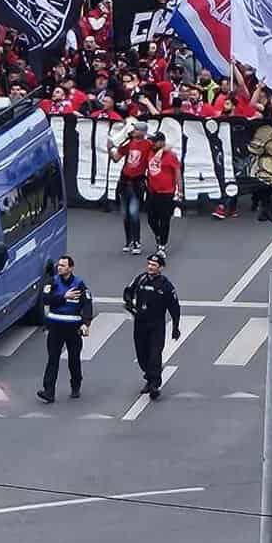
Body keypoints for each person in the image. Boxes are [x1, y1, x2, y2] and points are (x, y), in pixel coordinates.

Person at [122, 252, 182, 399]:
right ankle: (149, 378)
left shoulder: (165, 285)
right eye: (149, 264)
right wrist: (129, 303)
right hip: (140, 324)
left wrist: (175, 326)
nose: (150, 267)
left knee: (155, 355)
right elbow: (128, 292)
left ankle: (155, 384)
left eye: (154, 265)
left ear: (160, 267)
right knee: (142, 356)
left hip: (156, 325)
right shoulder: (140, 279)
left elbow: (174, 307)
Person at [37, 255, 92, 403]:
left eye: (63, 265)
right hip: (55, 327)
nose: (59, 267)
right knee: (52, 359)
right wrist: (63, 296)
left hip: (73, 328)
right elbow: (46, 299)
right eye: (59, 265)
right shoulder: (52, 282)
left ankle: (75, 386)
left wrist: (86, 323)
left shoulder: (79, 284)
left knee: (73, 359)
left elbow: (87, 304)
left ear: (71, 268)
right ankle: (49, 392)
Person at [113, 120, 153, 253]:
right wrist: (109, 149)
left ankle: (137, 241)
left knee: (133, 212)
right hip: (124, 182)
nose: (134, 131)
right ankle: (128, 240)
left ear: (142, 132)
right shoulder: (128, 143)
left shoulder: (148, 145)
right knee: (125, 213)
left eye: (136, 129)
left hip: (137, 182)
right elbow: (116, 158)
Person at [144, 137, 182, 253]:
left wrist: (180, 190)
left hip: (167, 192)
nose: (153, 143)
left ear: (161, 142)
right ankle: (158, 235)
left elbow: (177, 173)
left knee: (164, 218)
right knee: (151, 218)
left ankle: (162, 244)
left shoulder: (171, 156)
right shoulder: (150, 152)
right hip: (152, 191)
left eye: (155, 141)